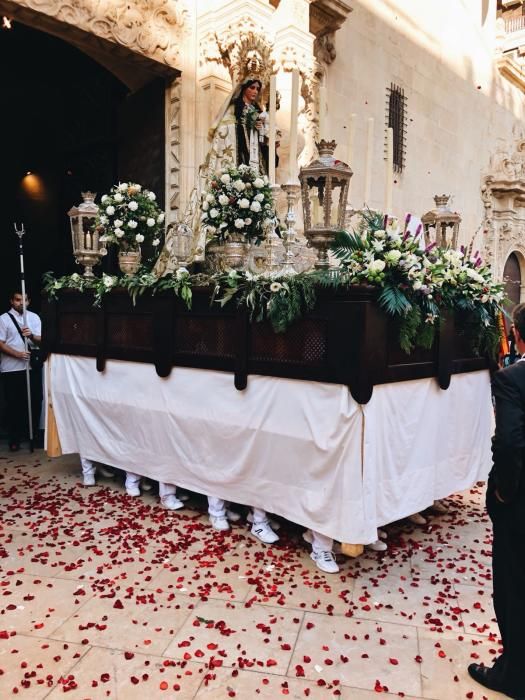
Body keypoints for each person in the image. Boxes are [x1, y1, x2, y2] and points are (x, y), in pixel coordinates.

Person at [468, 302, 525, 700]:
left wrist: (504, 489)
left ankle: (514, 674)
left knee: (512, 585)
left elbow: (508, 442)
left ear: (518, 336)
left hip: (520, 505)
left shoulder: (512, 379)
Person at [0, 291, 43, 451]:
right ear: (12, 301)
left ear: (29, 301)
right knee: (14, 404)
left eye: (24, 300)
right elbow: (1, 343)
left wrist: (31, 335)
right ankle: (14, 438)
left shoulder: (34, 317)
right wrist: (18, 354)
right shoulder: (3, 319)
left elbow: (42, 339)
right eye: (18, 300)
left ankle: (33, 435)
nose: (21, 303)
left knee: (35, 400)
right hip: (11, 368)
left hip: (32, 367)